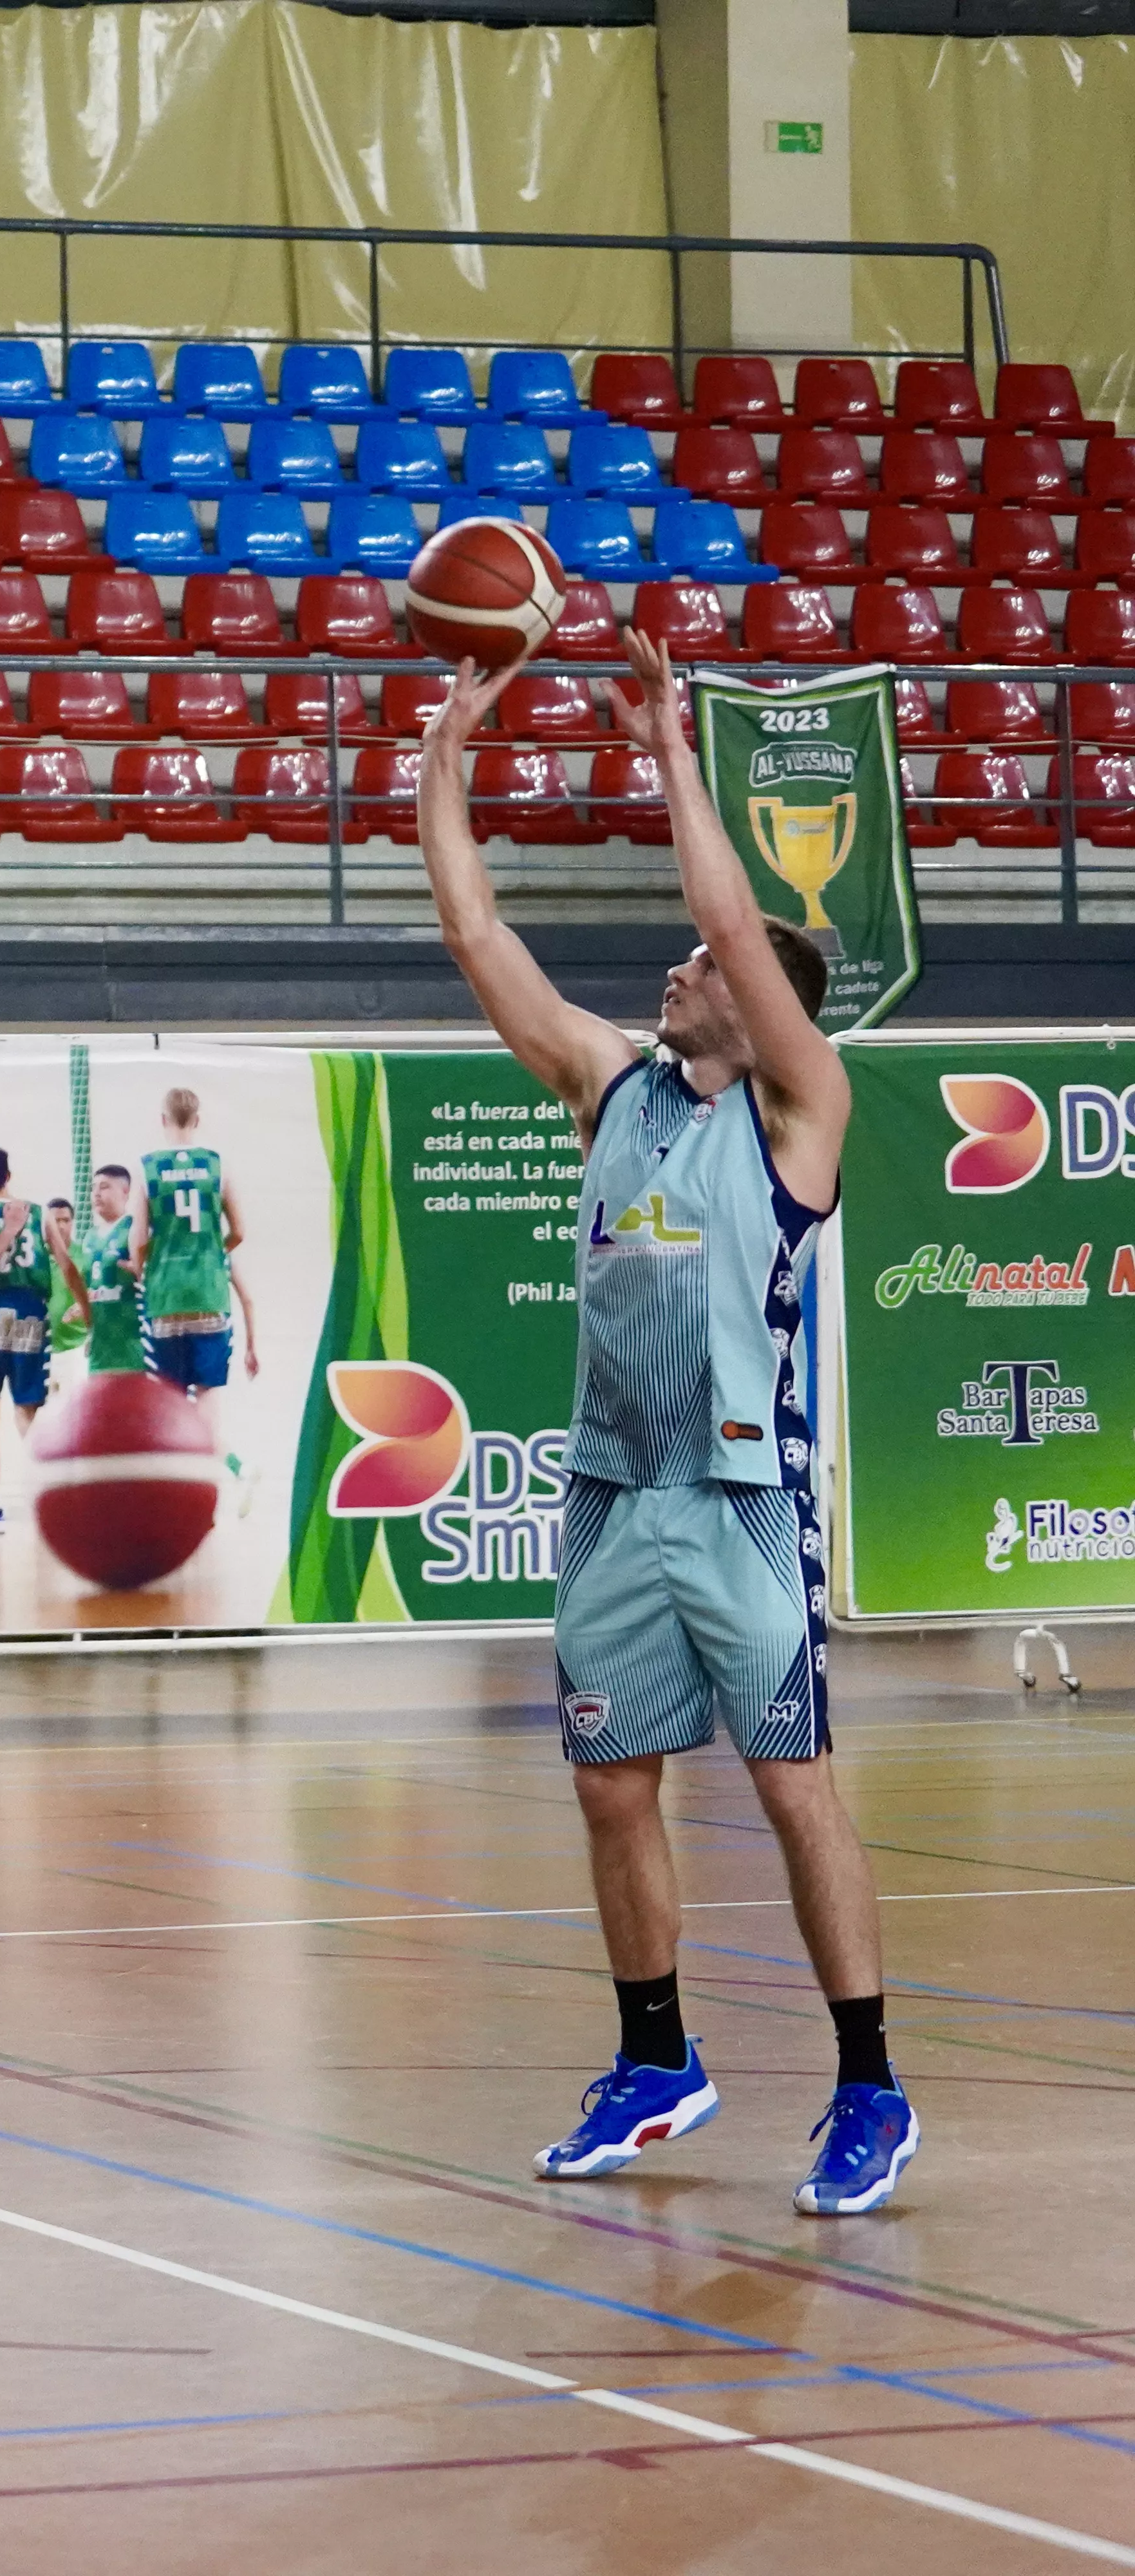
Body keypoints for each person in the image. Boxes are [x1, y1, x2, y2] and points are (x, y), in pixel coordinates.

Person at [420, 630, 912, 2219]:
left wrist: (667, 749)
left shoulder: (802, 1108)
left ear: (766, 1008)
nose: (681, 969)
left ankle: (869, 2086)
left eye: (710, 971)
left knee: (791, 1785)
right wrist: (446, 759)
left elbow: (725, 915)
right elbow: (480, 934)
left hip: (742, 1503)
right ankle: (656, 2059)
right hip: (615, 1499)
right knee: (612, 1782)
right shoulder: (610, 1087)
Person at [134, 1086, 261, 1490]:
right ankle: (214, 1485)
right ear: (198, 1119)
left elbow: (138, 1240)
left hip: (166, 1297)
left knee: (170, 1400)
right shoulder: (218, 1166)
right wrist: (208, 1251)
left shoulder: (146, 1169)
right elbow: (239, 1231)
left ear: (163, 1120)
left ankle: (179, 1488)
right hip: (208, 1294)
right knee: (207, 1396)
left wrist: (145, 1271)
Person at [0, 1146, 79, 1528]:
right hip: (31, 1312)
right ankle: (50, 1491)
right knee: (28, 1411)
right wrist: (84, 1301)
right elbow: (64, 1261)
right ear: (9, 1175)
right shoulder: (39, 1213)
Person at [77, 1164, 147, 1378]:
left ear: (125, 1192)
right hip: (101, 1346)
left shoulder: (134, 1229)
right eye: (94, 1188)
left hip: (133, 1343)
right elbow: (90, 1286)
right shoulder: (89, 1238)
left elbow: (147, 1275)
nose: (96, 1194)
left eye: (105, 1187)